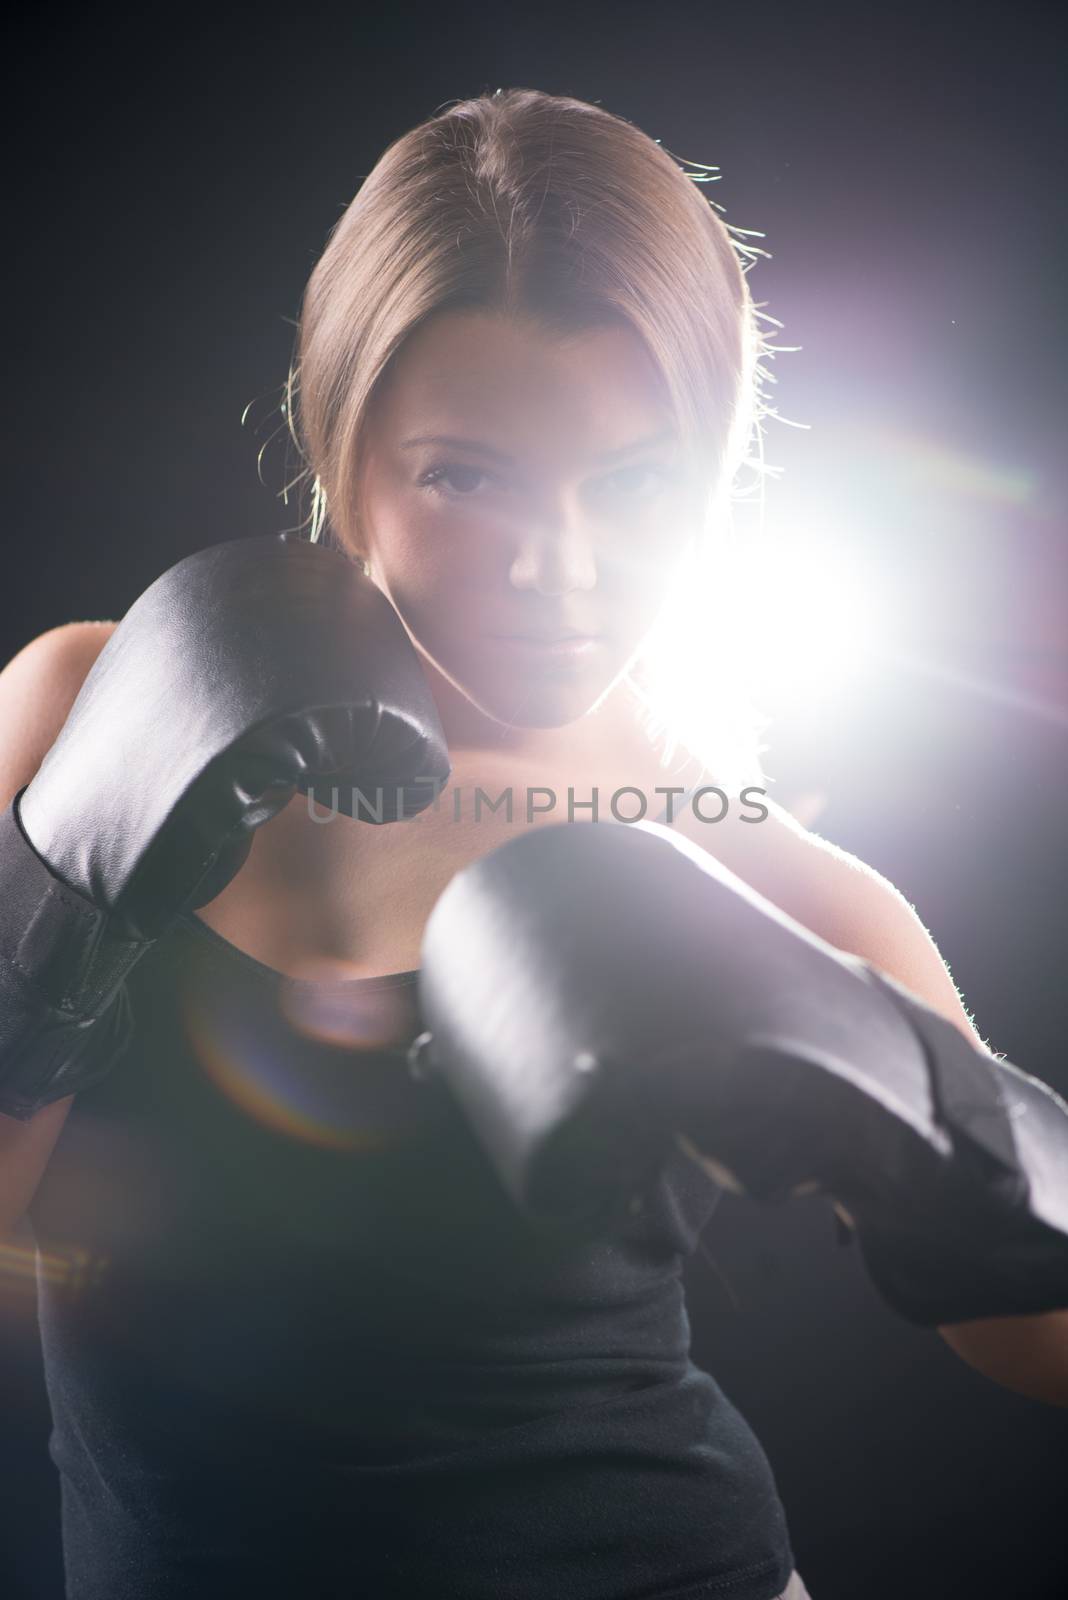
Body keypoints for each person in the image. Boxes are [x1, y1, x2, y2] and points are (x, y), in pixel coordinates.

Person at [0, 87, 1065, 1600]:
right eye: (466, 474)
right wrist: (53, 922)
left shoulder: (756, 879)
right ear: (341, 436)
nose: (555, 569)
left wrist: (962, 1158)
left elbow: (1043, 1344)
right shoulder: (82, 704)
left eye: (630, 487)